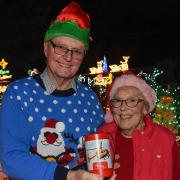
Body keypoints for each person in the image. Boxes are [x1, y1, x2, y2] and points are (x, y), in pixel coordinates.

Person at [0, 2, 110, 180]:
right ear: (46, 48)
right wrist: (68, 176)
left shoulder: (90, 99)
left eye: (77, 51)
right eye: (60, 47)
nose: (68, 57)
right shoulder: (19, 94)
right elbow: (11, 159)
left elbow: (99, 151)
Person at [98, 70, 180, 180]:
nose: (123, 108)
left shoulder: (165, 140)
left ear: (145, 108)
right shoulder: (101, 138)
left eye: (132, 100)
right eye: (117, 101)